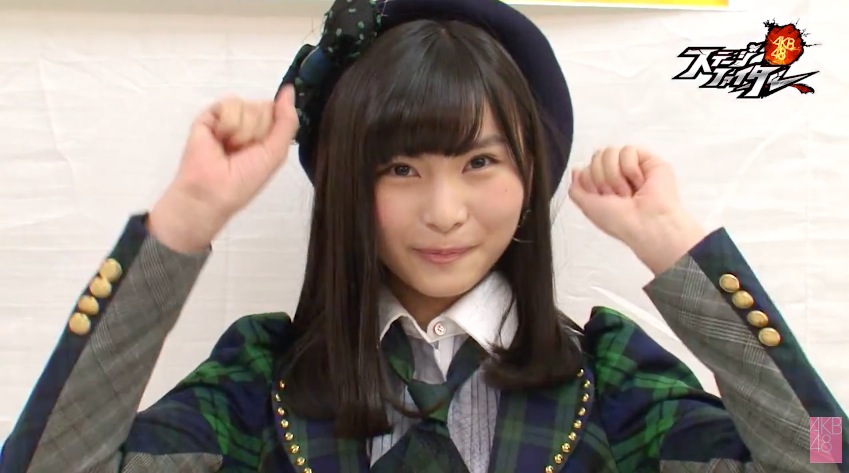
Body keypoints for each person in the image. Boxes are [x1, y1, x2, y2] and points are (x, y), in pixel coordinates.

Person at [1, 0, 846, 471]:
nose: (444, 211)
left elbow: (824, 452)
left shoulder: (611, 379)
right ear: (348, 185)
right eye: (399, 168)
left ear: (530, 174)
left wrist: (681, 250)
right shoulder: (265, 381)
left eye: (480, 162)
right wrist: (182, 224)